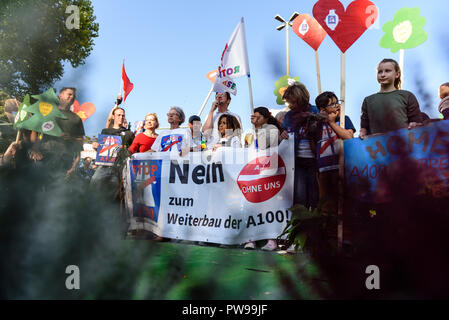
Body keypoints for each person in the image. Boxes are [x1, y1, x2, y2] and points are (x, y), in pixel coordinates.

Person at [244, 106, 287, 251]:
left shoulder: (272, 129)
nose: (254, 119)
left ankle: (271, 240)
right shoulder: (253, 132)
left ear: (265, 118)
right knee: (253, 206)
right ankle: (251, 239)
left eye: (257, 117)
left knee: (269, 206)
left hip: (269, 173)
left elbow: (263, 146)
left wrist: (257, 128)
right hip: (256, 172)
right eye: (253, 117)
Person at [315, 92, 356, 238]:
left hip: (342, 166)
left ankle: (345, 237)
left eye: (336, 102)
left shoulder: (344, 119)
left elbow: (349, 136)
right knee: (326, 205)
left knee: (343, 202)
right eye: (331, 104)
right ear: (322, 109)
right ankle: (328, 238)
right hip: (324, 169)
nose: (336, 105)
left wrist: (332, 123)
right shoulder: (317, 123)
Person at [30, 87, 85, 181]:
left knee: (58, 192)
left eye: (74, 95)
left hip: (65, 160)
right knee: (39, 190)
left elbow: (80, 143)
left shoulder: (77, 119)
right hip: (45, 155)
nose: (72, 97)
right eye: (69, 94)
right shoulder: (48, 112)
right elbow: (35, 131)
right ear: (61, 95)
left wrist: (74, 166)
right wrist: (34, 150)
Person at [359, 58, 422, 139]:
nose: (383, 74)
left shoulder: (407, 96)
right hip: (377, 147)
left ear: (397, 74)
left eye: (387, 71)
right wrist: (362, 132)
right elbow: (364, 127)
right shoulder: (368, 100)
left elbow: (416, 122)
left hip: (404, 144)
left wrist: (415, 125)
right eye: (380, 72)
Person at [91, 107, 134, 198]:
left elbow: (133, 150)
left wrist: (125, 148)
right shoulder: (105, 131)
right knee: (94, 181)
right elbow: (101, 149)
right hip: (104, 165)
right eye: (119, 115)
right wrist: (96, 146)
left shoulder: (129, 133)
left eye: (123, 115)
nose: (121, 117)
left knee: (114, 192)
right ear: (113, 117)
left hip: (119, 167)